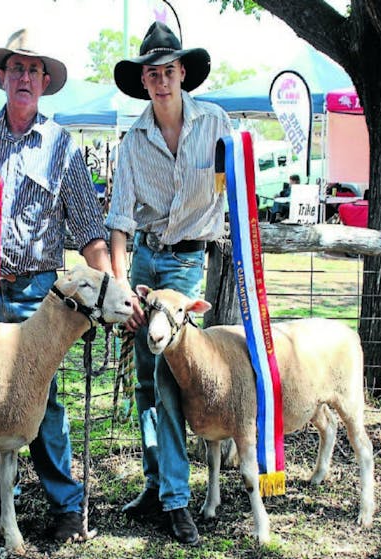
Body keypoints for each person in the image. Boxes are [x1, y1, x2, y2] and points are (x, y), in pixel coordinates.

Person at [0, 28, 112, 542]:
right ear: (2, 76)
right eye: (16, 68)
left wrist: (112, 290)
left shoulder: (61, 146)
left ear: (43, 82)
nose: (24, 78)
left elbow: (88, 229)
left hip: (39, 291)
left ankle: (64, 505)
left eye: (33, 70)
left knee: (44, 399)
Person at [105, 22, 232, 545]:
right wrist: (119, 284)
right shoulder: (134, 139)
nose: (161, 80)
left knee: (171, 382)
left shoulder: (218, 123)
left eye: (168, 71)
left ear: (184, 74)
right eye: (151, 73)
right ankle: (157, 483)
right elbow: (119, 219)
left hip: (185, 269)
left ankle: (177, 499)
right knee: (143, 382)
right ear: (144, 80)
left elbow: (235, 193)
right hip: (144, 268)